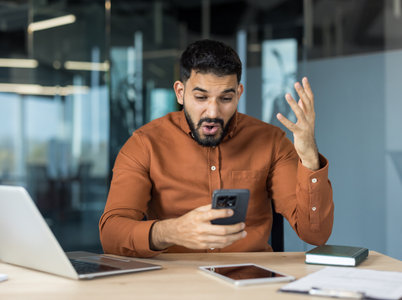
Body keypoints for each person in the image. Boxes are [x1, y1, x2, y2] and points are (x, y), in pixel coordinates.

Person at [99, 39, 333, 258]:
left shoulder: (271, 142)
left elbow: (315, 234)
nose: (212, 113)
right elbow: (111, 235)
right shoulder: (144, 144)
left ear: (238, 94)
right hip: (176, 286)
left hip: (250, 283)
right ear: (180, 92)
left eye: (225, 99)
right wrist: (170, 231)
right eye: (201, 97)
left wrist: (309, 156)